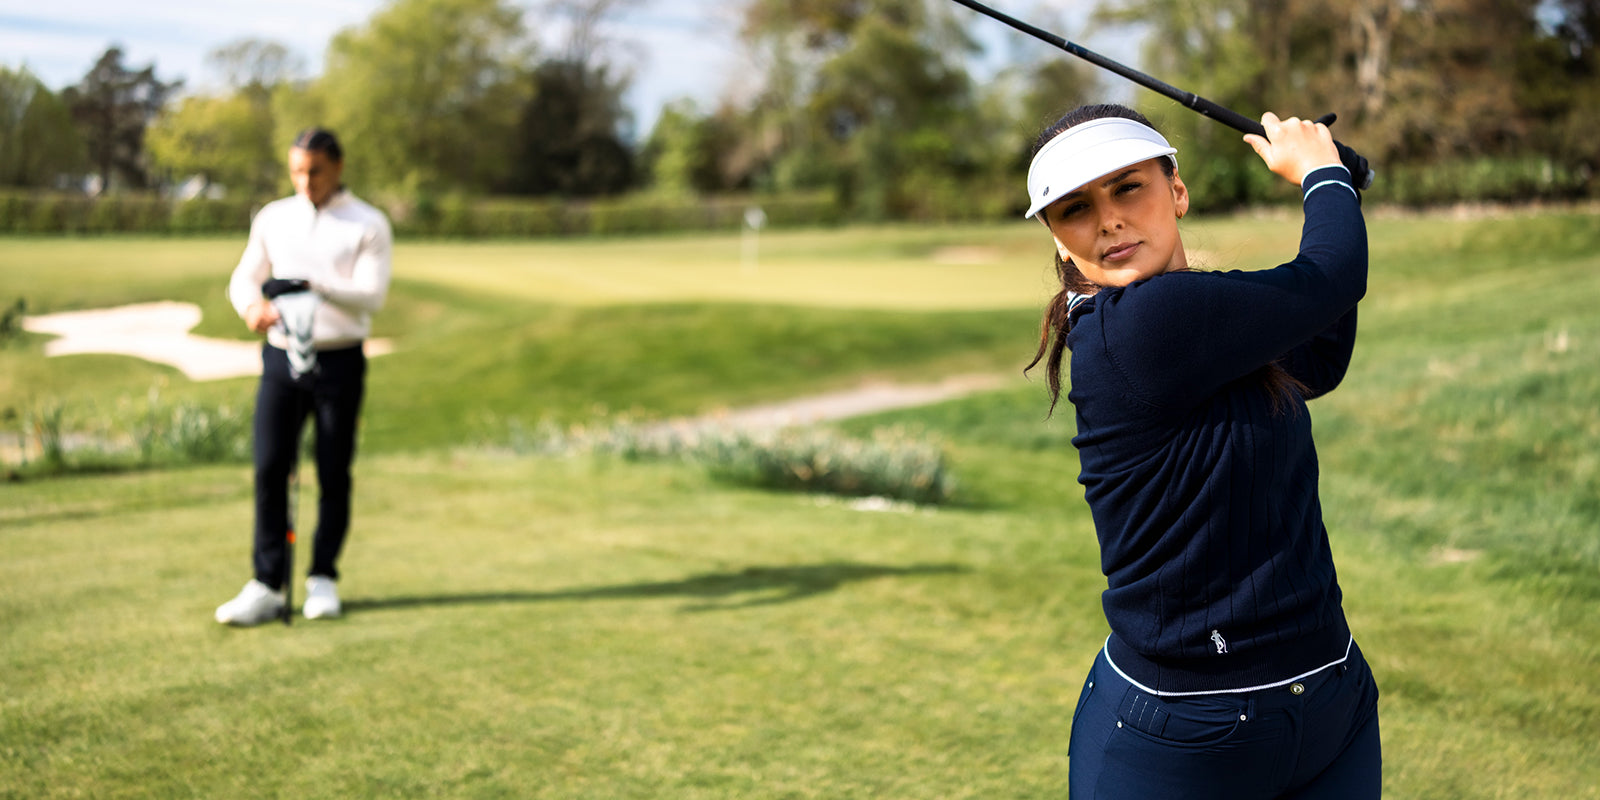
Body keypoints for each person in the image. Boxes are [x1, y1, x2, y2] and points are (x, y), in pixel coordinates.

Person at [1021, 104, 1380, 797]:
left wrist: (1341, 187)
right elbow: (1331, 276)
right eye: (1074, 209)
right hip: (1183, 735)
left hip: (1330, 697)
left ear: (1176, 191)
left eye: (1128, 187)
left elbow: (1318, 358)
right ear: (1060, 241)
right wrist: (1323, 176)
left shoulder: (1198, 314)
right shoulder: (1138, 329)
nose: (1108, 220)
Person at [215, 128, 392, 626]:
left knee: (334, 474)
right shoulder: (275, 217)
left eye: (314, 171)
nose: (304, 181)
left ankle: (322, 579)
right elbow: (244, 276)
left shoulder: (368, 223)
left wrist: (313, 289)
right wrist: (252, 306)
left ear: (337, 167)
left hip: (339, 361)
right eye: (296, 170)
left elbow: (372, 296)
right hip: (281, 360)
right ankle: (268, 584)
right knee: (271, 468)